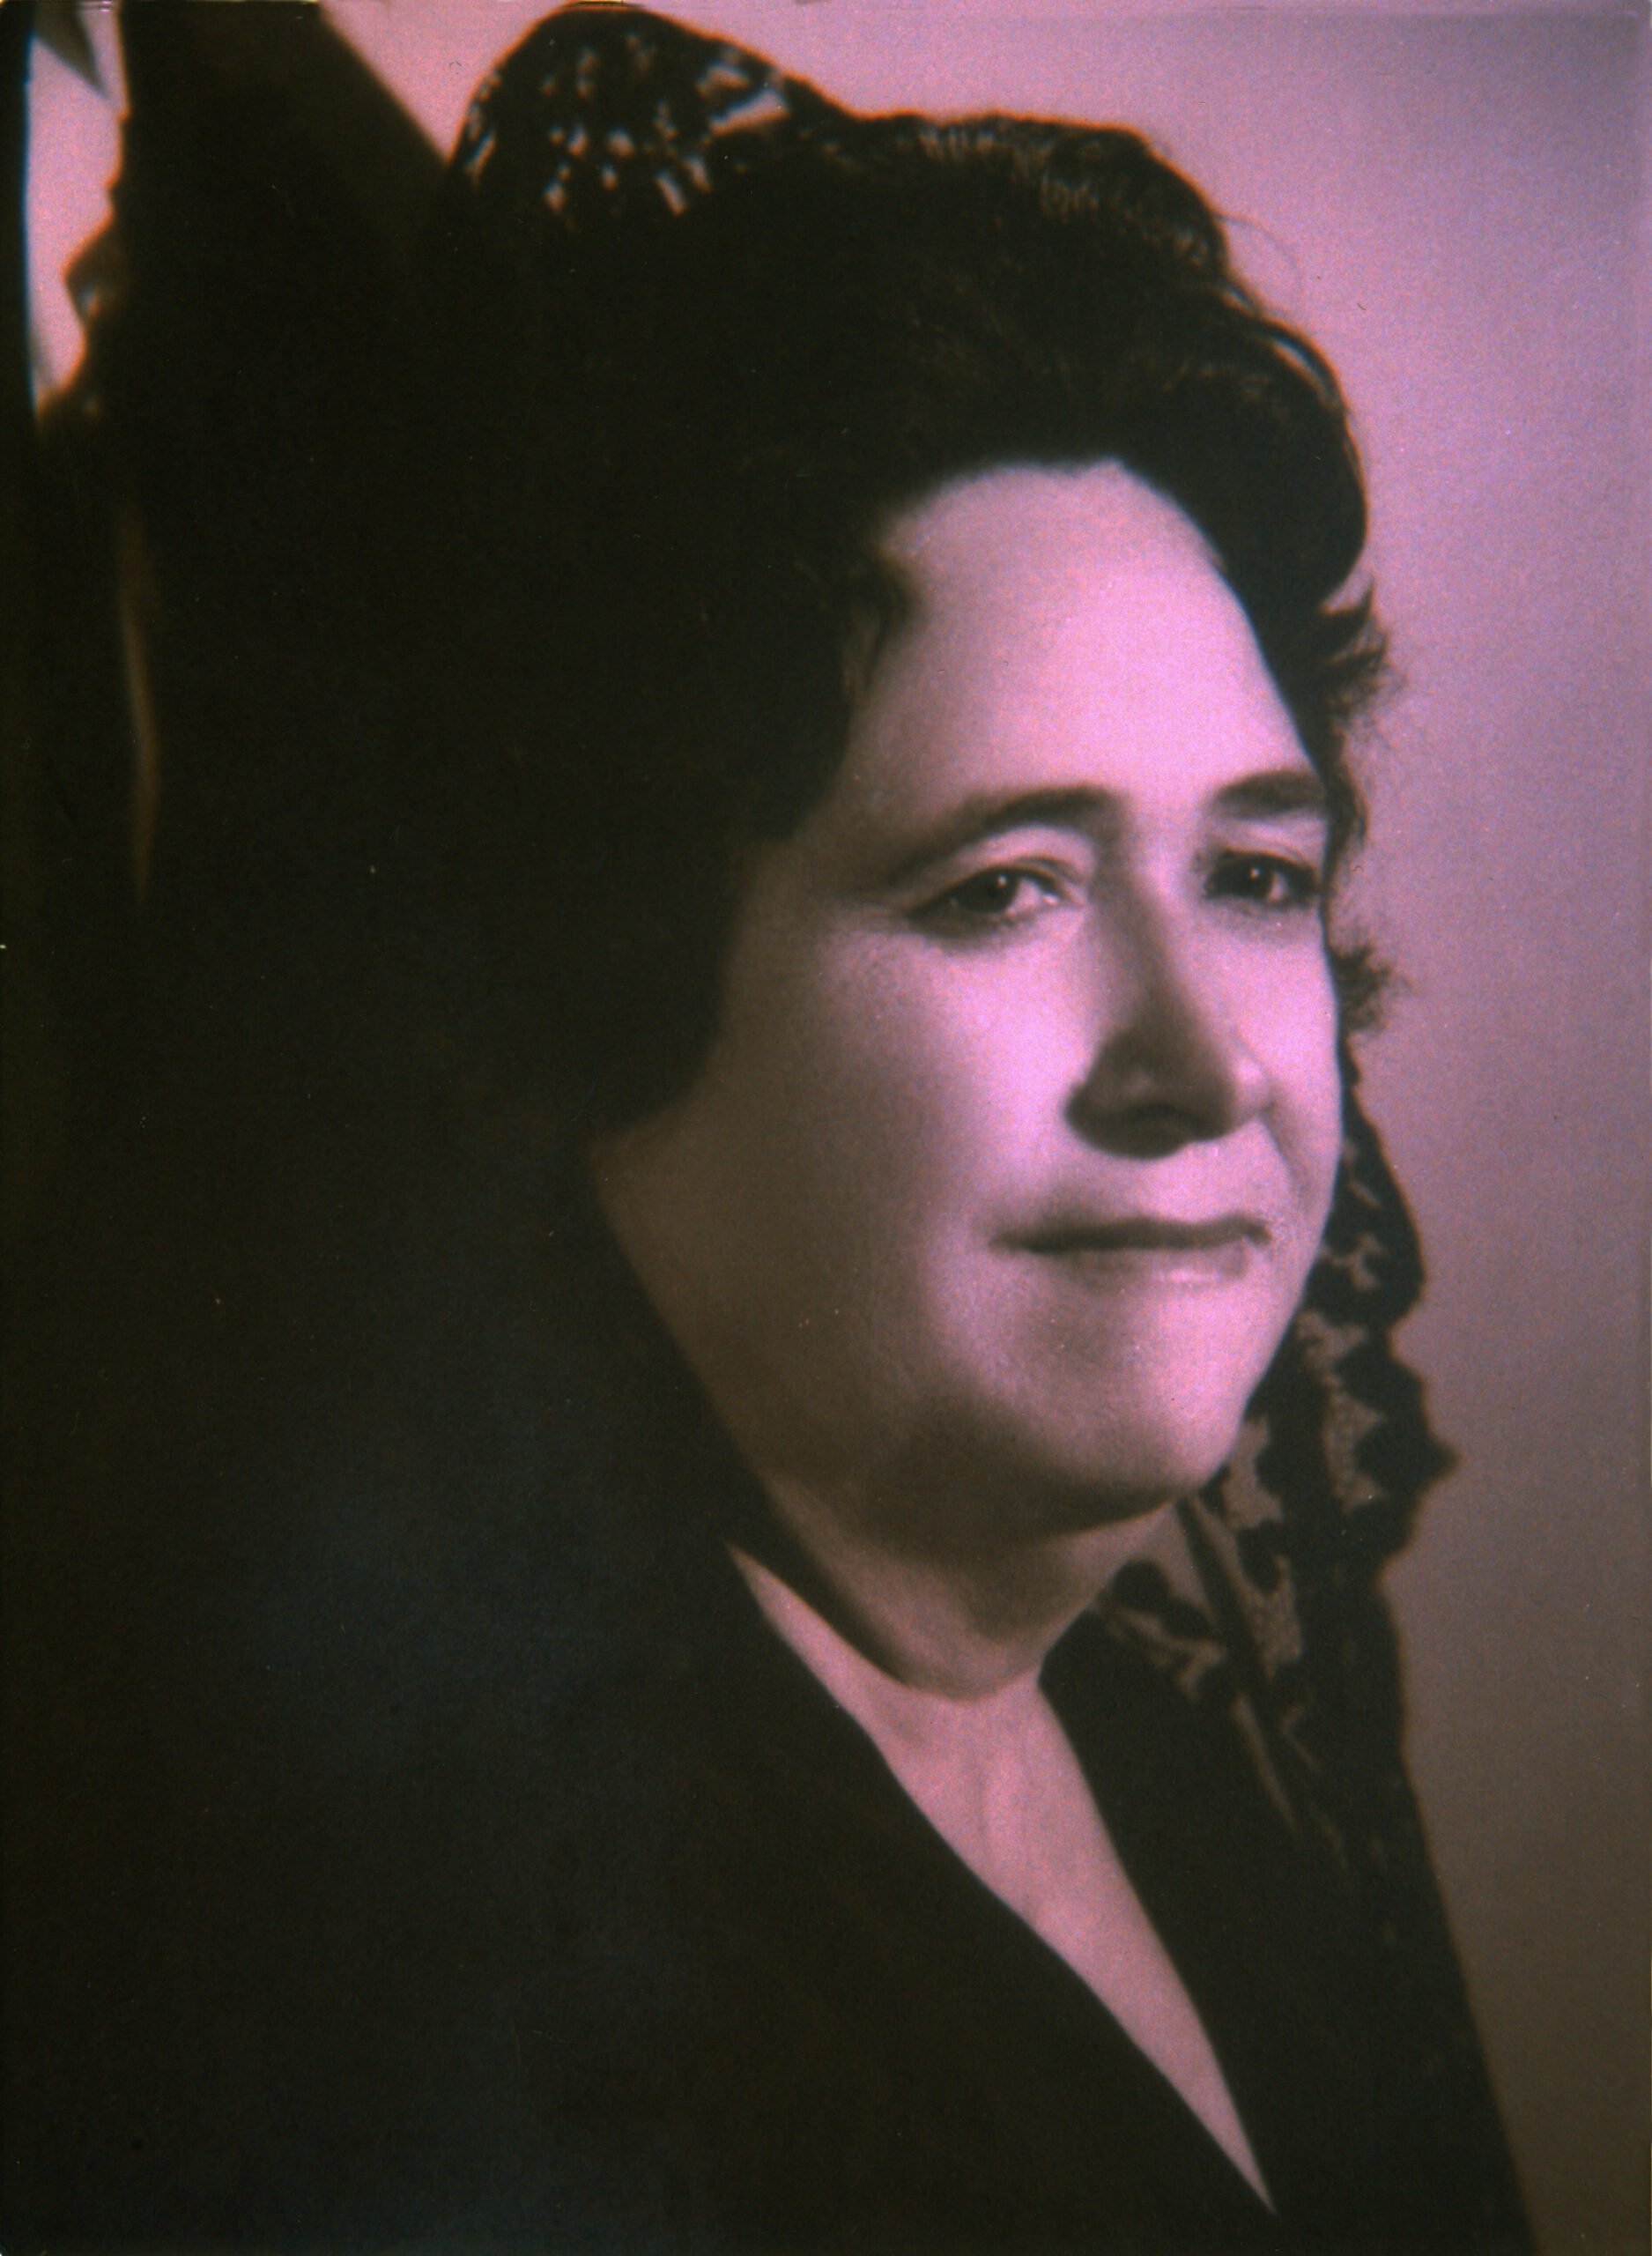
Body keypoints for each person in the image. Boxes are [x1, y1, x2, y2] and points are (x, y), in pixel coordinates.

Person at [372, 9, 1531, 2251]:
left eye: (1255, 873)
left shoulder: (1167, 1756)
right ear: (613, 971)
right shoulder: (501, 2015)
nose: (1204, 1060)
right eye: (1003, 887)